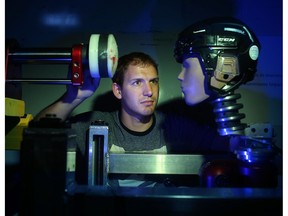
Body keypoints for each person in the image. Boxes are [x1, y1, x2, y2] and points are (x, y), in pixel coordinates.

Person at [34, 51, 230, 186]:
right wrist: (74, 97)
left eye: (153, 82)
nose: (149, 91)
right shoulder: (96, 124)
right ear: (118, 91)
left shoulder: (174, 126)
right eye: (137, 83)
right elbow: (37, 134)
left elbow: (227, 145)